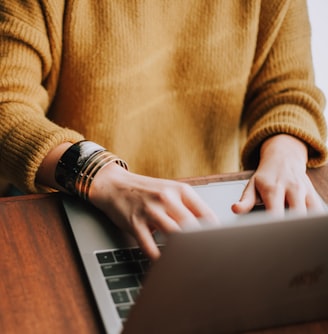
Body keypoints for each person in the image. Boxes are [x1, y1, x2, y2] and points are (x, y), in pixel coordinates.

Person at [0, 0, 327, 260]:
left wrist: (285, 153)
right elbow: (7, 104)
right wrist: (103, 177)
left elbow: (288, 89)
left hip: (220, 211)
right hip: (81, 209)